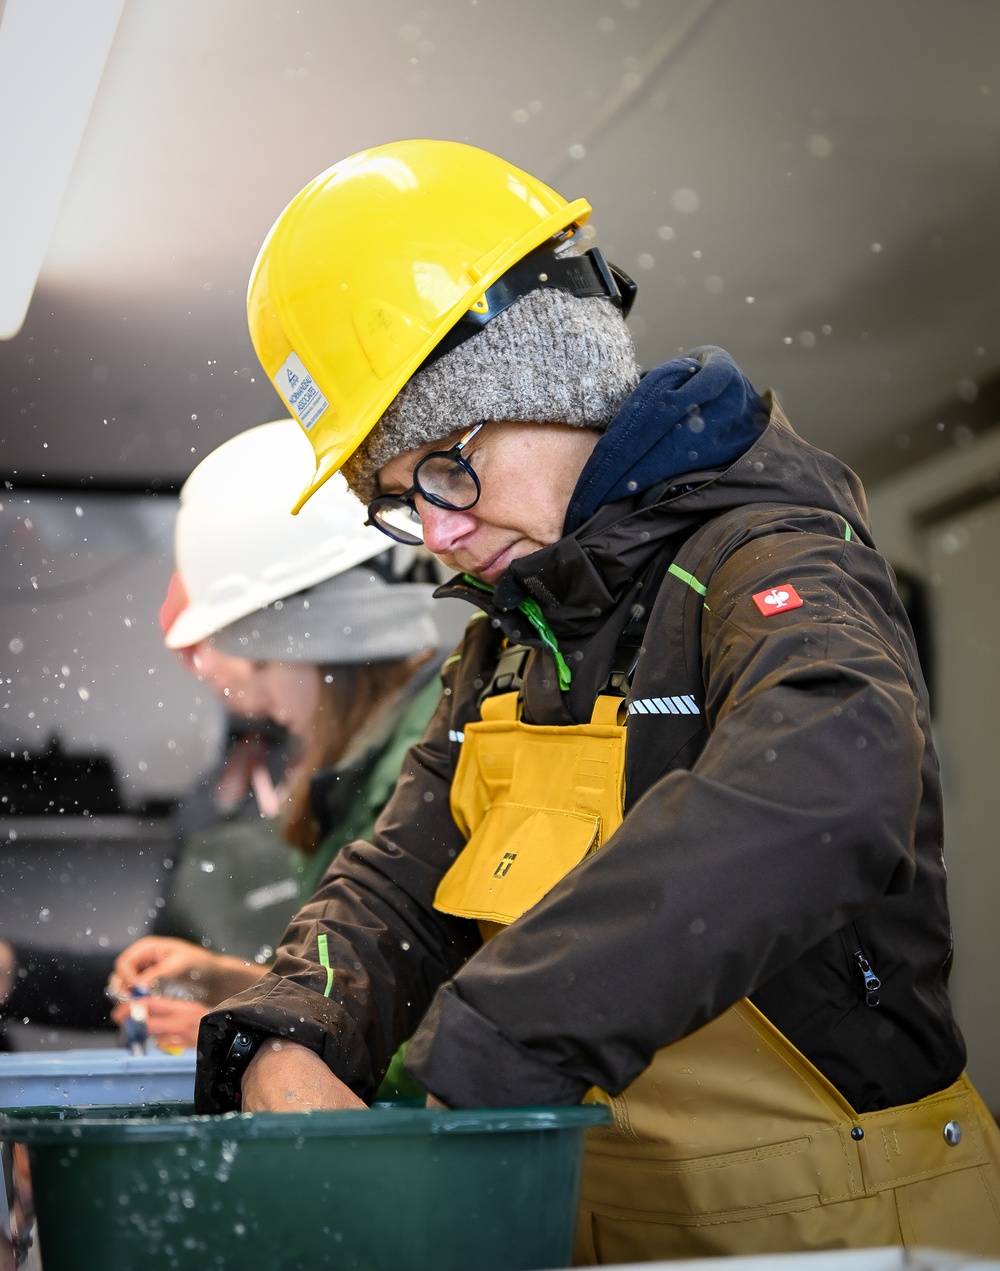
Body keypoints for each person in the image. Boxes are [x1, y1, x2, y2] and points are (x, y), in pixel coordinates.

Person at [194, 140, 1000, 1258]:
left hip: (842, 1222)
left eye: (442, 464)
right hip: (609, 1221)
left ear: (549, 382)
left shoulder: (765, 553)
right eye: (396, 498)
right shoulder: (511, 640)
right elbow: (397, 882)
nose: (436, 531)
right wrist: (284, 1029)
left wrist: (495, 1033)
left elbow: (832, 779)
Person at [2, 420, 444, 1058]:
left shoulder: (418, 756)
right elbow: (346, 990)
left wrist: (240, 1014)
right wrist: (229, 988)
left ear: (322, 637)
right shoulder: (338, 764)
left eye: (255, 663)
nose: (225, 680)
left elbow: (413, 1004)